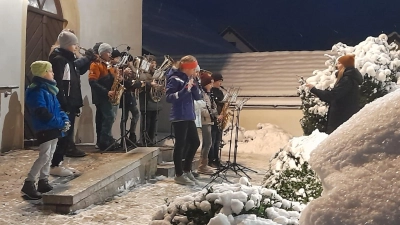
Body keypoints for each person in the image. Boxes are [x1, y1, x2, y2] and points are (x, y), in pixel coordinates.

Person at [22, 61, 70, 200]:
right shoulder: (36, 90)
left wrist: (65, 119)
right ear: (43, 73)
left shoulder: (49, 89)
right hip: (45, 127)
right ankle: (29, 182)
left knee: (50, 154)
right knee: (44, 155)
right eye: (50, 71)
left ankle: (43, 180)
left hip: (53, 127)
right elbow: (42, 112)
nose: (53, 73)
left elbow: (58, 108)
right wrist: (60, 123)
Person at [48, 31, 90, 177]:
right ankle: (54, 165)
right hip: (65, 103)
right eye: (74, 44)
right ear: (67, 45)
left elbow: (78, 71)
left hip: (71, 102)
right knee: (62, 135)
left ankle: (59, 163)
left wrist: (87, 59)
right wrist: (64, 103)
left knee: (67, 135)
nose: (76, 47)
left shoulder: (68, 59)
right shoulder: (60, 60)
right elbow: (60, 83)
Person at [165, 55, 202, 185]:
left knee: (195, 142)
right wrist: (186, 89)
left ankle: (187, 170)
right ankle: (179, 174)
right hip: (179, 116)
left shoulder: (189, 78)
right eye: (194, 69)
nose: (195, 71)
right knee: (180, 145)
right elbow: (169, 97)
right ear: (187, 68)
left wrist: (194, 85)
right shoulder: (174, 78)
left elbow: (197, 97)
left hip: (189, 115)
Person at [306, 54, 363, 134]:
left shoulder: (347, 80)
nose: (337, 65)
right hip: (342, 118)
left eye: (339, 63)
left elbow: (333, 95)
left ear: (345, 65)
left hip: (341, 119)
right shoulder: (349, 79)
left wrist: (314, 89)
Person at [89, 43, 121, 151]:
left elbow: (114, 80)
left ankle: (106, 139)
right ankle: (104, 141)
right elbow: (93, 82)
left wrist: (118, 76)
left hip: (108, 94)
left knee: (105, 118)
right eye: (108, 52)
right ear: (102, 53)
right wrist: (106, 91)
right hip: (101, 96)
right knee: (109, 116)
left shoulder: (109, 65)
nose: (110, 54)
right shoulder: (95, 64)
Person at [197, 71, 218, 175]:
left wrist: (215, 113)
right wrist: (212, 114)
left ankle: (203, 164)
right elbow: (202, 109)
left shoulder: (209, 94)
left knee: (207, 143)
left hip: (209, 120)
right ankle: (202, 165)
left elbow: (212, 107)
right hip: (205, 121)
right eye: (210, 83)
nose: (211, 85)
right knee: (208, 143)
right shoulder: (202, 95)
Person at [138, 55, 161, 146]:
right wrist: (150, 84)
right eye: (152, 63)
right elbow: (140, 82)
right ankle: (145, 141)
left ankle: (151, 141)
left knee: (153, 123)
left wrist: (160, 87)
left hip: (155, 102)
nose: (154, 65)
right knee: (146, 123)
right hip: (146, 101)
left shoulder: (156, 74)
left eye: (155, 63)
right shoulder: (143, 73)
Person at [208, 73, 225, 168]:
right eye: (219, 81)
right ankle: (211, 159)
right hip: (212, 119)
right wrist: (217, 115)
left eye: (221, 81)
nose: (220, 83)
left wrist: (223, 113)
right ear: (213, 81)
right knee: (212, 140)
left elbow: (222, 105)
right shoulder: (210, 92)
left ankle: (216, 158)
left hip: (220, 119)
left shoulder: (220, 92)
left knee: (218, 140)